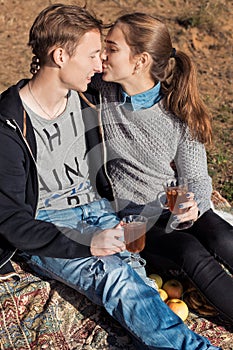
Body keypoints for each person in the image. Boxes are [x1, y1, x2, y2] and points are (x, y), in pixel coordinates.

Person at [0, 4, 220, 350]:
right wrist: (87, 244)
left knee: (140, 276)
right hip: (51, 224)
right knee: (116, 277)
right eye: (92, 55)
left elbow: (142, 92)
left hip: (99, 207)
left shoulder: (86, 97)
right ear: (60, 56)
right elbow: (12, 220)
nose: (100, 63)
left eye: (104, 53)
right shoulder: (10, 125)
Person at [85, 12, 233, 323]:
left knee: (223, 238)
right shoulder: (100, 90)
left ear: (139, 62)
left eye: (111, 48)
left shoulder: (177, 108)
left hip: (172, 206)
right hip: (134, 220)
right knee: (191, 254)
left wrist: (196, 205)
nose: (102, 55)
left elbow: (196, 176)